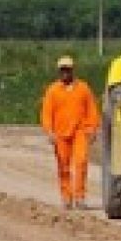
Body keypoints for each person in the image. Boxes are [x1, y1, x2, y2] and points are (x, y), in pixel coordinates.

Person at [40, 56, 99, 209]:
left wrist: (92, 129)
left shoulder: (83, 88)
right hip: (60, 134)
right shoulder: (52, 91)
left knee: (81, 163)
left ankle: (80, 198)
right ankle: (66, 198)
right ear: (59, 72)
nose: (65, 72)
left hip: (80, 132)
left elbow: (92, 110)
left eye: (67, 69)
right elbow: (46, 113)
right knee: (63, 166)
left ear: (72, 70)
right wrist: (49, 132)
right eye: (62, 70)